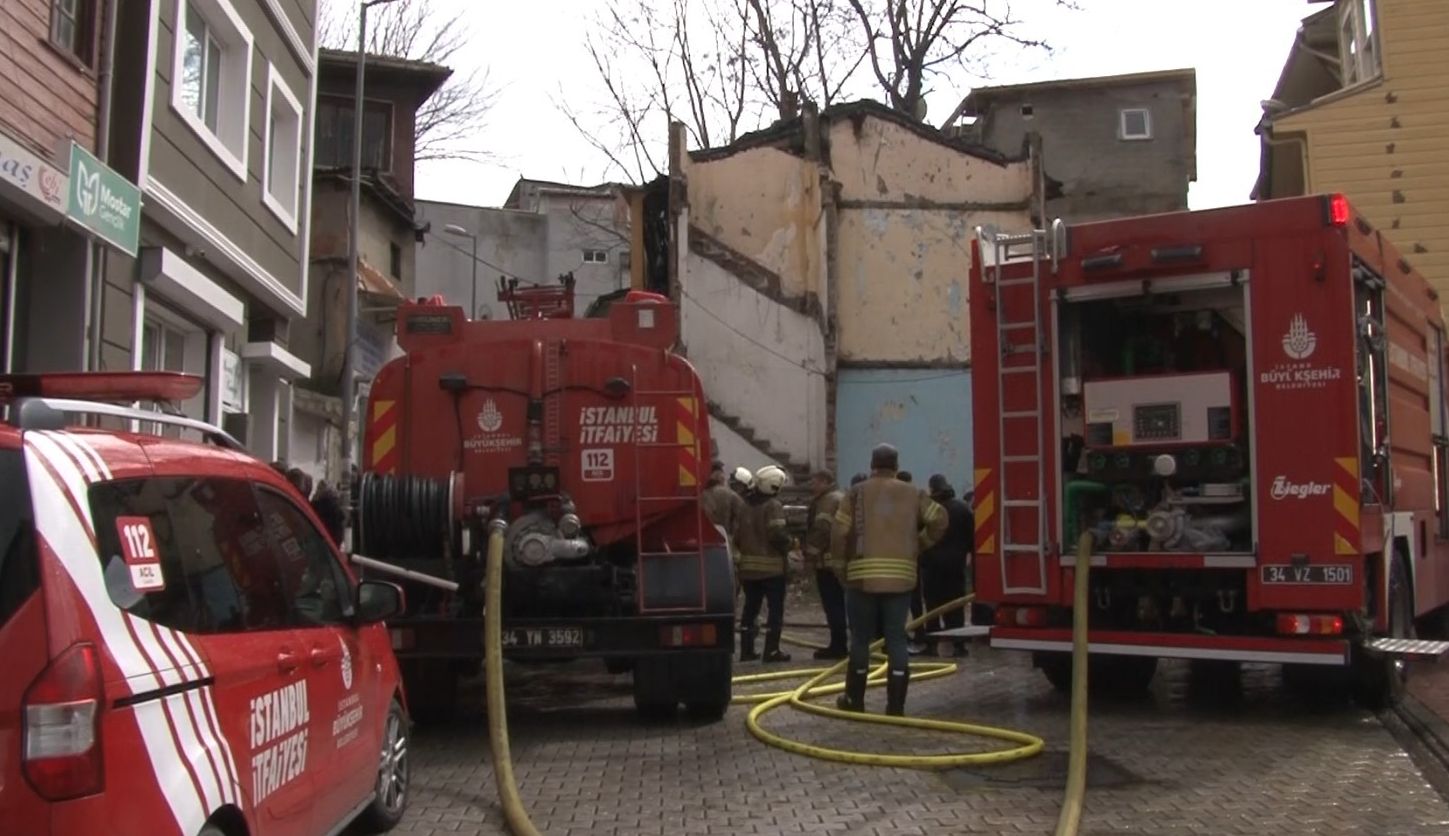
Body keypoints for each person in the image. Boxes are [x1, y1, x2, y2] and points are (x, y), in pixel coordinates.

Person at [831, 444, 947, 716]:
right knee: (896, 637)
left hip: (861, 577)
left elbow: (839, 532)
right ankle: (896, 706)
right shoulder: (913, 493)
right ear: (896, 465)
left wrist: (839, 567)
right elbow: (940, 520)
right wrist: (919, 544)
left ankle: (854, 700)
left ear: (872, 464)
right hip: (900, 577)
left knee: (860, 638)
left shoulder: (856, 493)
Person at [735, 464, 793, 663]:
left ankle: (746, 650)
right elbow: (777, 534)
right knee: (775, 611)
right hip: (772, 571)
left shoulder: (744, 505)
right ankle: (772, 651)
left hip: (748, 570)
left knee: (750, 609)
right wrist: (791, 544)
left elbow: (737, 536)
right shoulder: (773, 506)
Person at [921, 474, 973, 656]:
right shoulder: (962, 508)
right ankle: (959, 645)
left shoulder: (929, 510)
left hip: (932, 566)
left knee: (933, 607)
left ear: (932, 489)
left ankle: (932, 646)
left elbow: (920, 535)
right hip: (955, 566)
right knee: (955, 606)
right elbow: (971, 537)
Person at [803, 471, 848, 659]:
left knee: (833, 605)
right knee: (842, 605)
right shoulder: (839, 497)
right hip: (840, 561)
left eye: (814, 482)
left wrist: (809, 554)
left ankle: (838, 646)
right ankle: (841, 643)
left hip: (827, 564)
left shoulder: (828, 501)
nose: (811, 485)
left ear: (824, 482)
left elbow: (822, 530)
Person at [310, 479, 347, 546]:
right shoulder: (335, 506)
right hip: (332, 541)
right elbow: (341, 522)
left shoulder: (313, 505)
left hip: (317, 540)